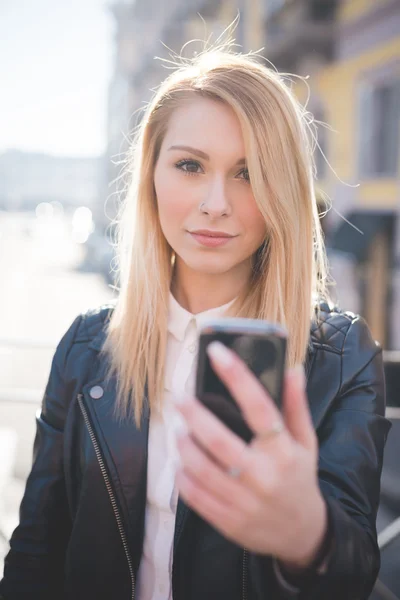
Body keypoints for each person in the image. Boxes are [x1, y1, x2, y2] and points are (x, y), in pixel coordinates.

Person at [0, 44, 391, 600]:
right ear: (151, 177)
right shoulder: (87, 345)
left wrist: (309, 537)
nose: (215, 203)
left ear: (283, 191)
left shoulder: (343, 353)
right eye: (190, 165)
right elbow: (35, 552)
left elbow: (353, 569)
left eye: (248, 173)